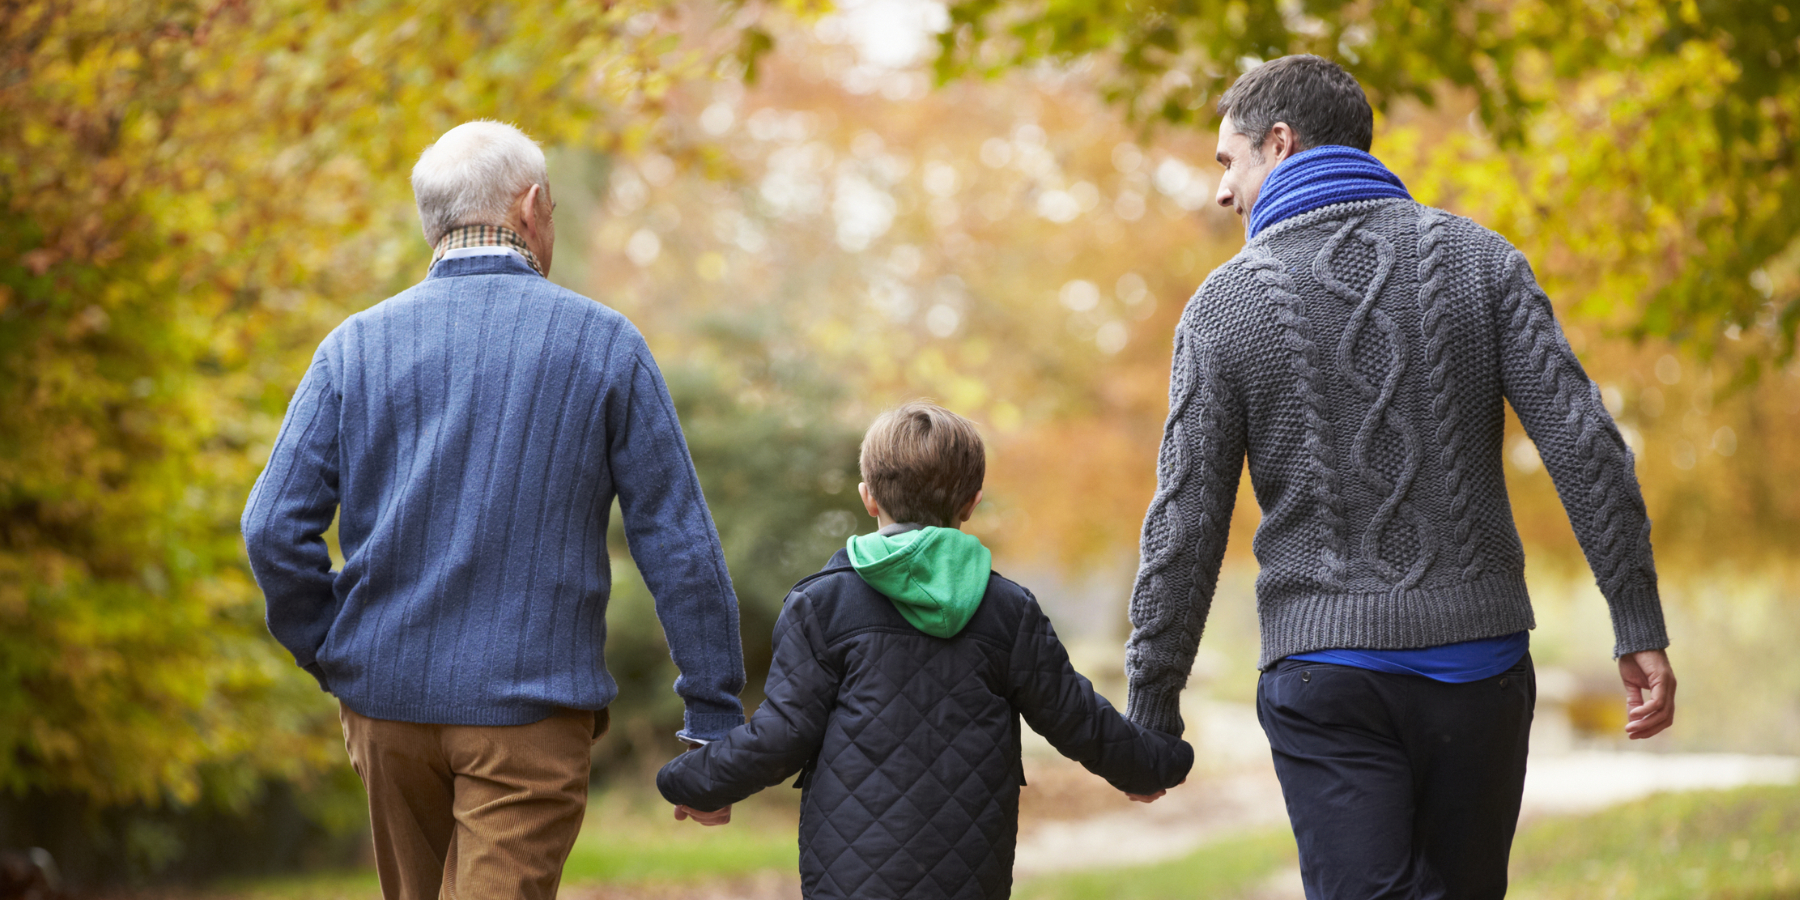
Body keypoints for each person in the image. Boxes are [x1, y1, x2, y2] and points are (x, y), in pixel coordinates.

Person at [1122, 55, 1676, 899]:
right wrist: (1635, 617)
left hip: (1325, 671)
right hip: (1479, 668)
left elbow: (1185, 520)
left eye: (1227, 162)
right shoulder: (1482, 262)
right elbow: (1584, 441)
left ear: (1280, 142)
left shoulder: (1223, 305)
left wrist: (1152, 706)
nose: (1223, 192)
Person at [241, 120, 747, 900]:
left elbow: (271, 527)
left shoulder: (353, 346)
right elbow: (677, 542)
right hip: (530, 711)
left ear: (432, 220)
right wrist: (712, 714)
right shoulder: (604, 344)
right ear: (533, 206)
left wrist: (334, 650)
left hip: (384, 706)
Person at [657, 401, 1193, 900]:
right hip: (971, 873)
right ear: (972, 502)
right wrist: (1149, 767)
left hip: (849, 874)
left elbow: (782, 734)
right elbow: (1075, 717)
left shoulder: (822, 604)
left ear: (868, 495)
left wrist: (693, 781)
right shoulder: (1007, 610)